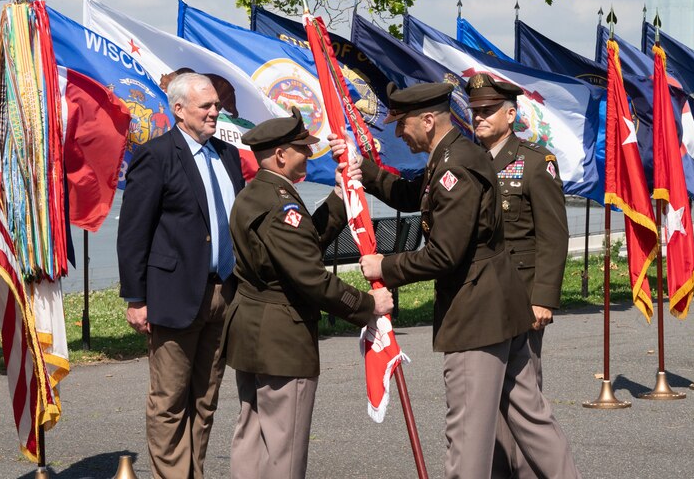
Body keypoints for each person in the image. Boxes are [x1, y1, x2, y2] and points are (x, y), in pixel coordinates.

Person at [336, 81, 580, 478]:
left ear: (428, 120)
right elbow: (414, 194)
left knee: (468, 437)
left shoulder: (456, 164)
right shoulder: (458, 154)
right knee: (530, 420)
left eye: (403, 124)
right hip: (501, 307)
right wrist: (363, 169)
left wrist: (386, 267)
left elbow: (446, 254)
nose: (398, 133)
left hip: (477, 312)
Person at [221, 107, 393, 479]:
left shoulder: (256, 194)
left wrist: (336, 196)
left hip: (252, 332)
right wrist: (367, 305)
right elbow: (311, 278)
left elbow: (302, 246)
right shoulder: (280, 205)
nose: (309, 154)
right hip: (281, 337)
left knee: (252, 438)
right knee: (285, 446)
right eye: (303, 148)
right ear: (281, 154)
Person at [117, 72, 245, 478]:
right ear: (179, 110)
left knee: (205, 400)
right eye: (205, 106)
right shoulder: (156, 156)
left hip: (224, 294)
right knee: (169, 400)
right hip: (173, 297)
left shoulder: (226, 156)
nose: (214, 111)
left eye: (216, 106)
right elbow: (134, 232)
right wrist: (136, 299)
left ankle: (194, 474)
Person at [465, 73, 570, 479]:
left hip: (522, 298)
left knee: (523, 399)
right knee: (485, 401)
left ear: (511, 114)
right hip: (479, 301)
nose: (480, 117)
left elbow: (554, 234)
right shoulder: (468, 159)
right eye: (475, 111)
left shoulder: (534, 161)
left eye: (489, 111)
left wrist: (544, 297)